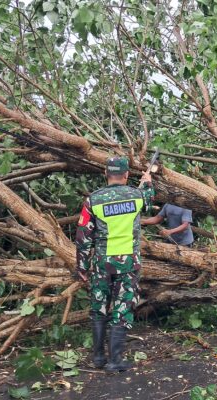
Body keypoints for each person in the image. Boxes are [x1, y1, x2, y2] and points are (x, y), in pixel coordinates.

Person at [75, 156, 154, 372]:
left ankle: (99, 358)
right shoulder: (137, 196)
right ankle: (115, 360)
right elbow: (148, 201)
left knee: (99, 307)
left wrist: (81, 266)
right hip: (128, 262)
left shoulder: (93, 200)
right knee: (122, 306)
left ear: (106, 174)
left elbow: (83, 236)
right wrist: (147, 182)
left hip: (102, 262)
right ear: (127, 174)